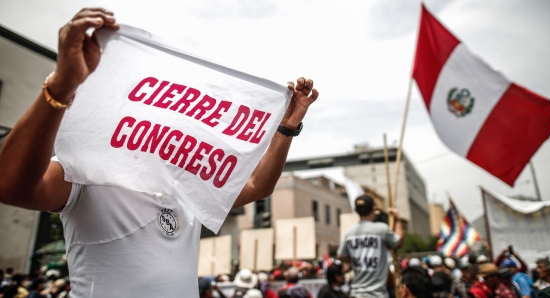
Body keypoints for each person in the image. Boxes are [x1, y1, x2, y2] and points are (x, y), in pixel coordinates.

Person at [0, 8, 319, 298]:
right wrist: (62, 84)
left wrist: (286, 129)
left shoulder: (187, 184)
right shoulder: (86, 169)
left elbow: (256, 187)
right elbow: (10, 185)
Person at [337, 195, 403, 298]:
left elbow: (340, 255)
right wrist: (397, 219)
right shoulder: (381, 229)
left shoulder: (349, 234)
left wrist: (356, 259)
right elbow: (398, 242)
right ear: (374, 209)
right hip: (376, 294)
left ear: (355, 210)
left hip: (356, 294)